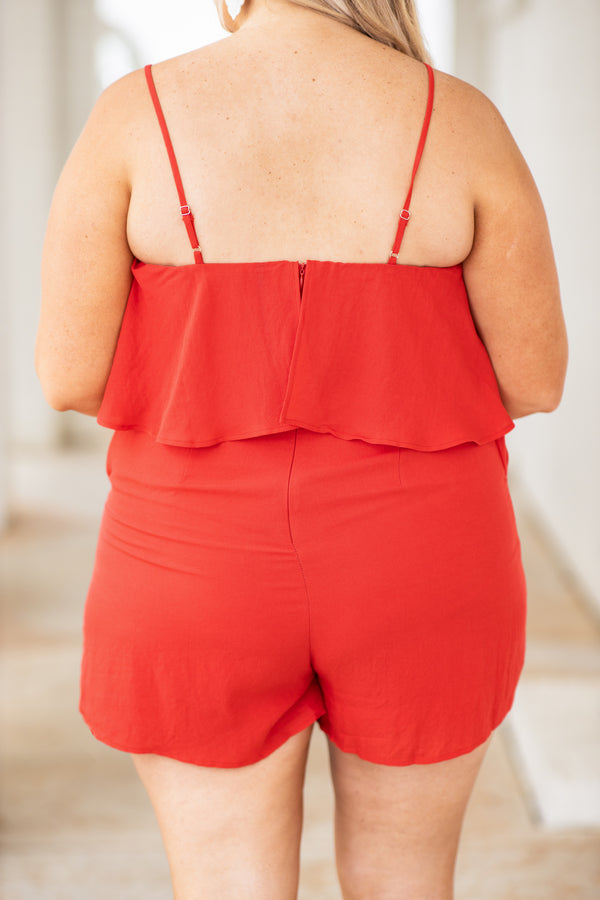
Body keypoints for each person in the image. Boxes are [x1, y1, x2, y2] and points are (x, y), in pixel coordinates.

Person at [35, 1, 568, 897]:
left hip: (191, 564)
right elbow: (536, 377)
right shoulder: (458, 116)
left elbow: (69, 377)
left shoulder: (136, 114)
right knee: (407, 882)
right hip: (424, 559)